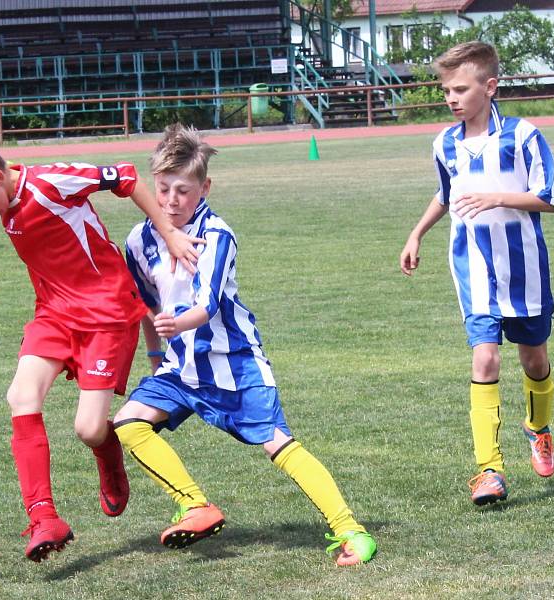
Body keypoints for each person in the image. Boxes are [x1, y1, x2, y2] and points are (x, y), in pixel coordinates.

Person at [114, 123, 376, 566]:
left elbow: (207, 305)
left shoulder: (217, 234)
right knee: (129, 422)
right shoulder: (139, 241)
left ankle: (352, 530)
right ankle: (195, 504)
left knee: (277, 443)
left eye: (183, 190)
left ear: (205, 186)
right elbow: (146, 304)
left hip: (232, 362)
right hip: (180, 368)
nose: (171, 200)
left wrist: (177, 325)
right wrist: (157, 356)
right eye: (162, 189)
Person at [0, 135, 203, 562]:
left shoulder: (51, 182)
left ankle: (107, 450)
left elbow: (126, 177)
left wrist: (169, 232)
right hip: (54, 314)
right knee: (20, 397)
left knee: (88, 429)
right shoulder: (5, 197)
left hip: (106, 315)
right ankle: (44, 519)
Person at [399, 41, 554, 506]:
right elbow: (446, 194)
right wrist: (417, 234)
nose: (451, 97)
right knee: (485, 359)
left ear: (489, 87)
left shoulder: (524, 136)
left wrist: (498, 197)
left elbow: (547, 196)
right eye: (447, 89)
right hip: (472, 268)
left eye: (461, 88)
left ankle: (538, 427)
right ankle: (489, 470)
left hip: (524, 269)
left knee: (534, 361)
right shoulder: (443, 143)